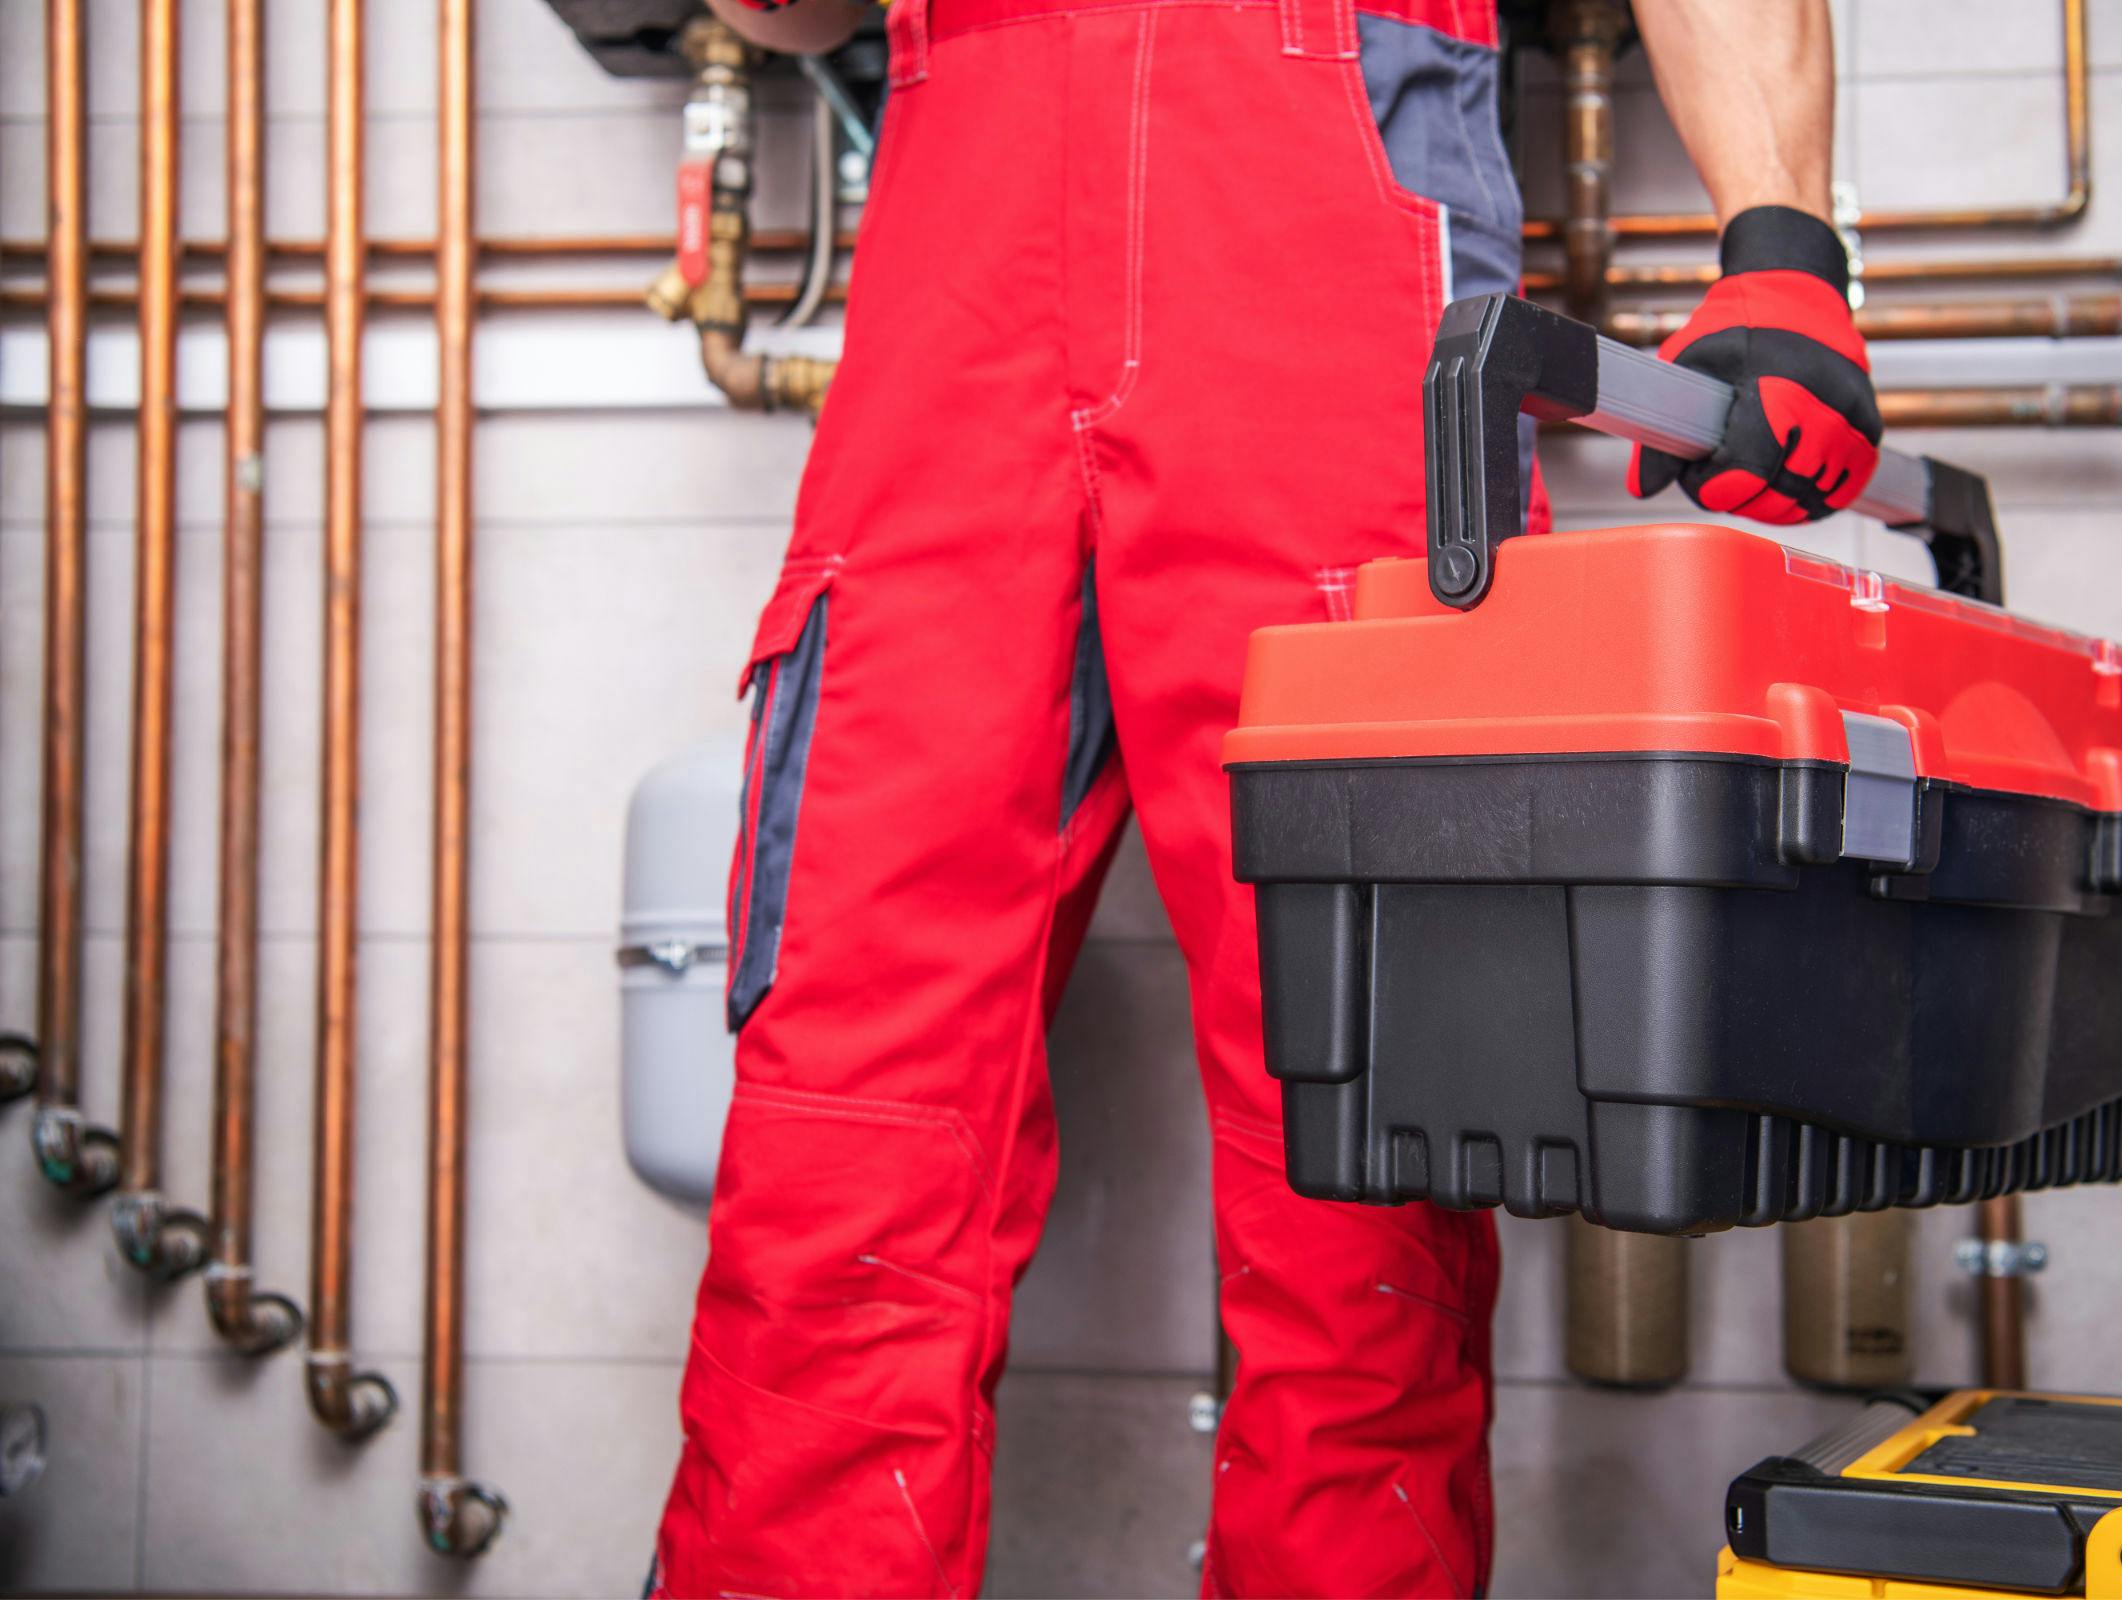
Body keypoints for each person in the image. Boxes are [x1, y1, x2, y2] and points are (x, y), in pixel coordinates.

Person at [648, 0, 1880, 1592]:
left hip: (1321, 176)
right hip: (962, 219)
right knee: (840, 1128)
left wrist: (1783, 246)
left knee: (1365, 1156)